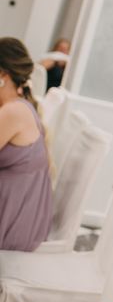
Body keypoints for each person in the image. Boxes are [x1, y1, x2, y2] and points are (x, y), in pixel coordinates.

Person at [0, 37, 53, 251]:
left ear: (3, 76)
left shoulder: (13, 111)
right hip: (21, 213)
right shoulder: (18, 106)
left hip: (12, 223)